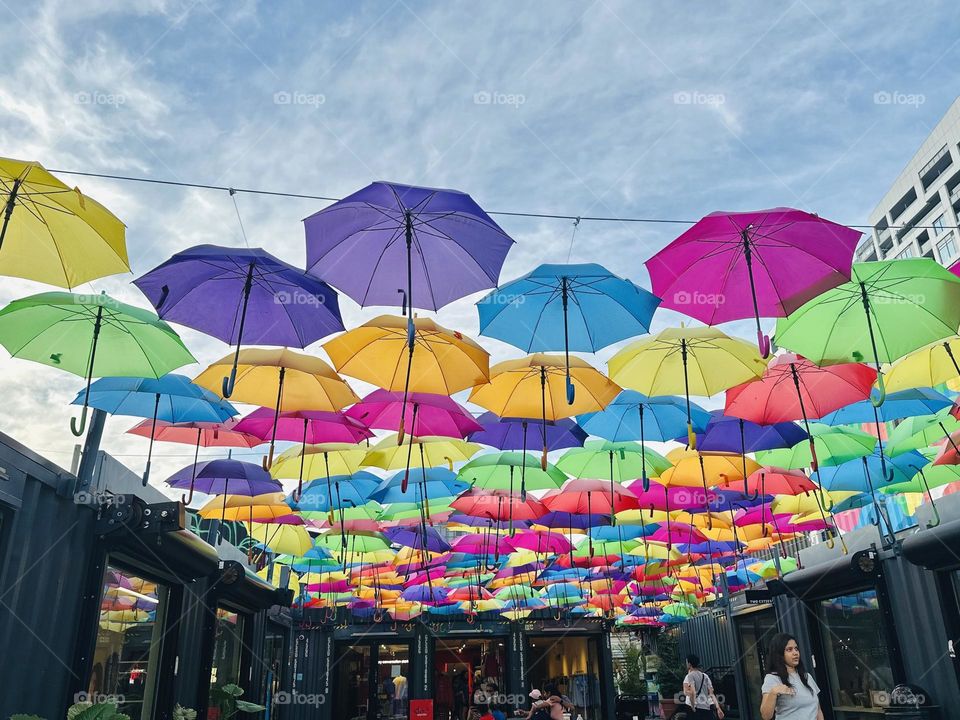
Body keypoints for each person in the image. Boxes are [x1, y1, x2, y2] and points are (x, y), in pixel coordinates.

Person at [760, 633, 824, 720]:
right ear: (779, 654)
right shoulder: (772, 678)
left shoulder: (807, 677)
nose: (795, 653)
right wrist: (773, 692)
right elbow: (766, 716)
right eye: (789, 650)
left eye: (796, 649)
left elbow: (818, 710)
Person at [682, 654, 724, 719]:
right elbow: (711, 694)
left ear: (689, 664)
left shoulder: (689, 676)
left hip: (693, 708)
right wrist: (718, 708)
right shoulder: (705, 676)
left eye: (686, 662)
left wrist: (693, 706)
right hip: (705, 707)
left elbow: (689, 692)